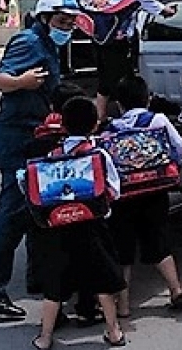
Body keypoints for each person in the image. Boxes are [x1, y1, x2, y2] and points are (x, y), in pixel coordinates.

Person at [0, 0, 85, 319]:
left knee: (39, 213)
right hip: (16, 138)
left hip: (36, 136)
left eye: (71, 22)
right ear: (45, 18)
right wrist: (21, 81)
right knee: (13, 214)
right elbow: (0, 80)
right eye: (63, 21)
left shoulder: (50, 44)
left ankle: (38, 280)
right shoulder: (28, 42)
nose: (68, 28)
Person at [30, 97, 127, 350]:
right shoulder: (99, 155)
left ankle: (45, 337)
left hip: (60, 229)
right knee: (103, 283)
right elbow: (113, 190)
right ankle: (114, 331)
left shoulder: (53, 155)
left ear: (63, 124)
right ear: (95, 125)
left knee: (55, 286)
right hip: (93, 228)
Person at [105, 76, 182, 317]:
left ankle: (123, 306)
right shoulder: (158, 119)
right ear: (148, 99)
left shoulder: (111, 128)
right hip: (155, 190)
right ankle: (176, 290)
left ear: (119, 104)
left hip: (125, 195)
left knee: (124, 249)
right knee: (159, 240)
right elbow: (178, 146)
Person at [94, 0, 177, 123]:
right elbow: (163, 11)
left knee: (105, 82)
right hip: (118, 44)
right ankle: (128, 119)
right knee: (124, 84)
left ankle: (100, 118)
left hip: (101, 40)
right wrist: (170, 9)